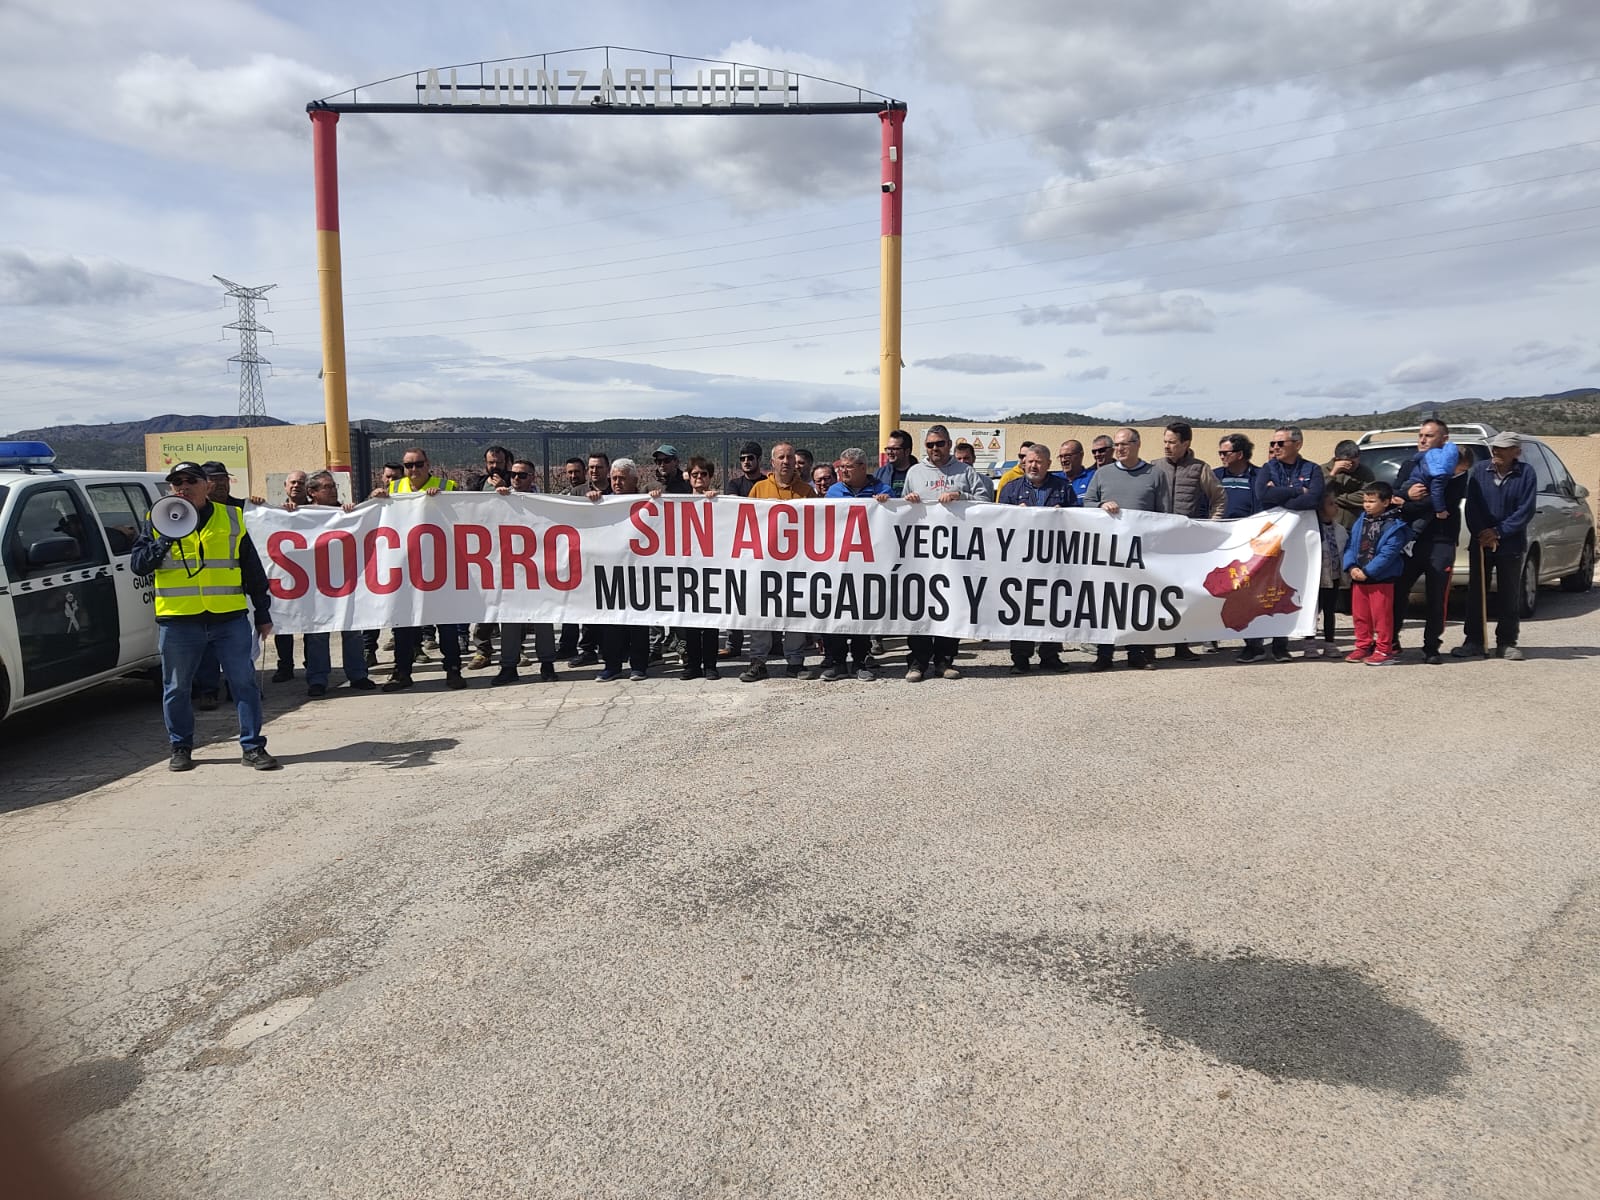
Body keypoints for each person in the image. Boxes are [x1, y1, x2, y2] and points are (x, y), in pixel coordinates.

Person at [130, 462, 279, 771]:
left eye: (190, 480)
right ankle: (180, 747)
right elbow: (139, 565)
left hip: (228, 617)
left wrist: (262, 612)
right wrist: (165, 537)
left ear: (207, 485)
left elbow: (252, 570)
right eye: (176, 482)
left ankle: (252, 747)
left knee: (244, 684)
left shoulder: (231, 517)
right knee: (177, 688)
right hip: (179, 620)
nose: (182, 486)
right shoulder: (156, 520)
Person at [901, 424, 990, 682]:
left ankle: (945, 660)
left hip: (956, 552)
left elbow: (986, 504)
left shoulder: (966, 472)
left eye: (939, 443)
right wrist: (910, 501)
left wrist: (961, 495)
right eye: (930, 445)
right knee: (919, 607)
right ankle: (917, 662)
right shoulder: (915, 472)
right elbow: (903, 507)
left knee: (951, 605)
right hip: (922, 553)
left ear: (949, 444)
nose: (935, 449)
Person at [1083, 428, 1171, 671]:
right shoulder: (1103, 474)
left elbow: (1164, 512)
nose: (1119, 449)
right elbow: (1087, 503)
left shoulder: (1155, 474)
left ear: (1137, 444)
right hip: (1108, 551)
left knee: (1137, 601)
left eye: (1124, 444)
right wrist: (1102, 504)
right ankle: (1104, 654)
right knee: (1106, 602)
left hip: (1141, 551)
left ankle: (1136, 653)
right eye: (1116, 445)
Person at [381, 449, 466, 692]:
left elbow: (466, 510)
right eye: (409, 465)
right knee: (403, 625)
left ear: (428, 464)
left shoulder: (446, 485)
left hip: (440, 567)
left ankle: (452, 669)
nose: (414, 470)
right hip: (406, 570)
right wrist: (375, 496)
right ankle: (402, 672)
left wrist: (444, 498)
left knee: (446, 622)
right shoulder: (395, 488)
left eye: (419, 464)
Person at [1454, 431, 1537, 661]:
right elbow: (1473, 506)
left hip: (1510, 543)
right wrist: (1482, 532)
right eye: (1495, 447)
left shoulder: (1527, 474)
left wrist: (1499, 532)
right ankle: (1474, 641)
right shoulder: (1480, 470)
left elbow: (1525, 510)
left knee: (1509, 593)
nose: (1496, 451)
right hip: (1481, 541)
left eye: (1502, 448)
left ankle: (1507, 642)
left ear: (1516, 452)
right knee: (1476, 593)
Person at [1390, 419, 1467, 665]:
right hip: (1410, 538)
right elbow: (1392, 495)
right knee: (1397, 591)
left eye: (1429, 436)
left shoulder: (1453, 465)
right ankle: (1390, 640)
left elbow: (1443, 500)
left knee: (1436, 596)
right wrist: (1404, 495)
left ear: (1444, 439)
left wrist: (1408, 503)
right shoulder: (1410, 464)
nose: (1422, 440)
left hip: (1440, 540)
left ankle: (1431, 646)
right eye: (1420, 435)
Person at [293, 471, 375, 697]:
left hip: (346, 579)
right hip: (316, 583)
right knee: (318, 633)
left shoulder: (345, 512)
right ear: (312, 492)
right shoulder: (302, 515)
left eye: (333, 486)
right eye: (327, 487)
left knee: (352, 629)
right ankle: (317, 679)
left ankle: (358, 675)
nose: (333, 490)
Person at [741, 443, 817, 682]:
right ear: (772, 462)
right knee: (760, 612)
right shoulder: (759, 489)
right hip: (764, 563)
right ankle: (758, 662)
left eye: (790, 457)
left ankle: (795, 662)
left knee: (796, 611)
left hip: (797, 563)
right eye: (781, 457)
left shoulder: (806, 491)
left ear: (796, 462)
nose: (786, 461)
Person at [999, 444, 1076, 673]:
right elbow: (996, 522)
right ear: (1024, 462)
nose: (1033, 465)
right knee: (1021, 608)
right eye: (1030, 461)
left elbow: (1081, 520)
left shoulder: (1063, 488)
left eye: (1039, 462)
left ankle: (1050, 655)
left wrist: (1065, 514)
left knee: (1052, 607)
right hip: (1020, 561)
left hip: (1054, 561)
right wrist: (1014, 515)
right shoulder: (1011, 489)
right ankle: (1020, 658)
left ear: (1048, 464)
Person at [1154, 421, 1225, 661]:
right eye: (1165, 441)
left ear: (1186, 443)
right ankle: (1150, 646)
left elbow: (1219, 498)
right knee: (1154, 592)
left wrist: (1211, 527)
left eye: (1172, 442)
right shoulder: (1154, 467)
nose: (1167, 446)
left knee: (1182, 594)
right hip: (1159, 543)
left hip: (1187, 545)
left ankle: (1181, 645)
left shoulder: (1200, 468)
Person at [1254, 426, 1325, 663]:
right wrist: (1296, 491)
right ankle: (1254, 644)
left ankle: (1281, 645)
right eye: (1272, 444)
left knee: (1290, 586)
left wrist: (1283, 496)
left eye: (1280, 444)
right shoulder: (1268, 467)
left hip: (1300, 539)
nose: (1274, 448)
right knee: (1262, 588)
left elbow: (1313, 498)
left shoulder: (1312, 469)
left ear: (1297, 444)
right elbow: (1263, 495)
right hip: (1271, 537)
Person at [820, 448, 891, 681]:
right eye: (841, 467)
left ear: (863, 467)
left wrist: (886, 506)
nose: (842, 471)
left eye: (848, 467)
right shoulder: (834, 491)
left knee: (862, 613)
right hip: (838, 562)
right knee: (836, 612)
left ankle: (861, 661)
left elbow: (895, 519)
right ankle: (838, 662)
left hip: (868, 563)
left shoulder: (883, 490)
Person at [585, 459, 652, 681]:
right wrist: (593, 501)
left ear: (634, 480)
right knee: (610, 622)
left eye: (622, 478)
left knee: (638, 622)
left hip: (638, 570)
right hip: (609, 570)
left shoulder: (647, 501)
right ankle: (612, 666)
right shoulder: (603, 502)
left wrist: (657, 497)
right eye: (614, 478)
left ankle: (639, 665)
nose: (617, 482)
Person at [493, 460, 559, 685]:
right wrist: (498, 498)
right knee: (509, 620)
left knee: (543, 619)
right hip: (510, 570)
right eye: (513, 474)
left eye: (521, 475)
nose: (515, 479)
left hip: (539, 569)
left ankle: (547, 664)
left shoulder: (545, 501)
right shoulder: (500, 500)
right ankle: (508, 666)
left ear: (533, 477)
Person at [190, 461, 249, 710]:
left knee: (242, 648)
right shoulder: (185, 513)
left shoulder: (242, 508)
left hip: (235, 590)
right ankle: (208, 690)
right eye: (216, 479)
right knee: (207, 649)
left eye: (225, 478)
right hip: (198, 596)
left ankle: (240, 689)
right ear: (205, 484)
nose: (222, 483)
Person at [1341, 482, 1411, 666]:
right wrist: (1351, 567)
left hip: (1381, 578)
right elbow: (1350, 545)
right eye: (1365, 501)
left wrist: (1368, 571)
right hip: (1359, 576)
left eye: (1372, 501)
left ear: (1386, 502)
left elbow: (1389, 553)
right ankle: (1363, 645)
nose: (1367, 505)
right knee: (1360, 615)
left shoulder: (1395, 526)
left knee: (1382, 617)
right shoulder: (1361, 520)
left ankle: (1384, 648)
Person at [468, 447, 519, 668]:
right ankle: (482, 650)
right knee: (485, 603)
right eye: (490, 463)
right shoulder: (476, 484)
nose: (494, 467)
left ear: (508, 463)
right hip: (484, 553)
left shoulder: (516, 483)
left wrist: (505, 492)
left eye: (498, 462)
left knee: (513, 603)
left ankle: (515, 648)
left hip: (511, 551)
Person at [270, 470, 311, 682]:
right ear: (285, 486)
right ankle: (285, 666)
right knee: (283, 625)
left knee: (311, 626)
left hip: (313, 578)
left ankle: (310, 664)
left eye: (301, 482)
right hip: (284, 576)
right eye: (292, 482)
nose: (296, 485)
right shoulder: (274, 511)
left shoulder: (319, 510)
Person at [1310, 490, 1349, 657]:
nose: (1336, 506)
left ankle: (1329, 642)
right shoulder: (1312, 530)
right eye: (1331, 504)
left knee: (1329, 610)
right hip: (1315, 578)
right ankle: (1309, 642)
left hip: (1333, 577)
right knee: (1313, 611)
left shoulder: (1340, 530)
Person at [1322, 440, 1373, 530]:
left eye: (1354, 462)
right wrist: (1333, 473)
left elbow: (1367, 495)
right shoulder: (1323, 470)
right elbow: (1320, 491)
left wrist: (1337, 499)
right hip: (1328, 524)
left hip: (1353, 524)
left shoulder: (1365, 472)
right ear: (1337, 459)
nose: (1351, 465)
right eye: (1347, 462)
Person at [874, 429, 916, 498]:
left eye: (894, 449)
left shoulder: (920, 473)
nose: (890, 452)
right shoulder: (879, 474)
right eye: (888, 448)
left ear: (907, 451)